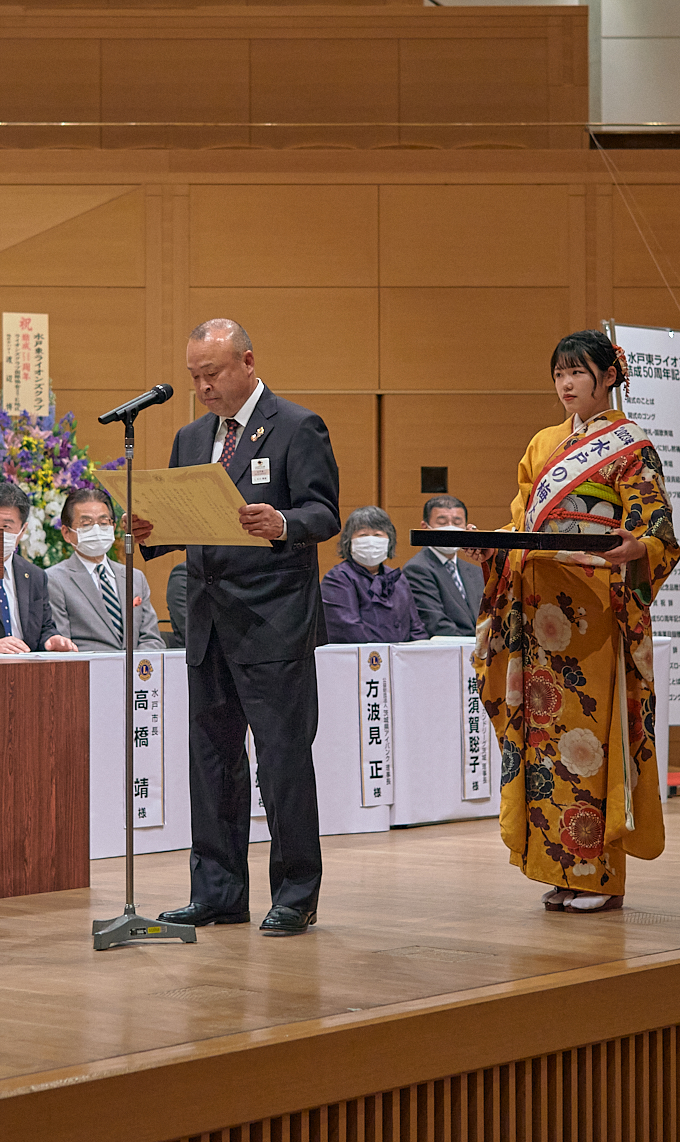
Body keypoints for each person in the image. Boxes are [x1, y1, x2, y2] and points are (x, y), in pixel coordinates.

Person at [132, 319, 340, 936]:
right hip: (207, 623)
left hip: (274, 623)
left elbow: (324, 512)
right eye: (195, 376)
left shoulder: (298, 426)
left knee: (281, 763)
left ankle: (296, 891)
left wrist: (283, 522)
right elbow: (186, 520)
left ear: (247, 361)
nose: (203, 387)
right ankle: (218, 891)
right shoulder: (192, 437)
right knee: (213, 762)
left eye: (213, 374)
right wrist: (151, 531)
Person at [466, 330, 680, 915]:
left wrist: (633, 548)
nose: (566, 384)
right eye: (559, 373)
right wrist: (492, 549)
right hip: (538, 612)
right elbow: (520, 521)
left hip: (590, 613)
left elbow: (656, 529)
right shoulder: (541, 444)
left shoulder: (632, 446)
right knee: (543, 741)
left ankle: (598, 875)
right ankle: (557, 869)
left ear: (609, 376)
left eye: (578, 373)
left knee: (589, 739)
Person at [46, 486, 164, 653]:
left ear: (113, 527)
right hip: (88, 672)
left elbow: (151, 638)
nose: (96, 530)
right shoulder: (53, 579)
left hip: (134, 674)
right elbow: (61, 644)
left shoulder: (135, 577)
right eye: (86, 524)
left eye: (103, 523)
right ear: (66, 533)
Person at [0, 482, 75, 654]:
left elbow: (44, 628)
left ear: (22, 530)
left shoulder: (34, 575)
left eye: (6, 526)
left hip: (25, 670)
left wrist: (51, 639)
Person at [320, 506, 427, 644]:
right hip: (364, 660)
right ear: (349, 541)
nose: (371, 541)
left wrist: (420, 653)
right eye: (363, 535)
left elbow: (416, 627)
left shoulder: (397, 578)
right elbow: (349, 629)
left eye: (377, 535)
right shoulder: (337, 579)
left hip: (403, 660)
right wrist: (385, 656)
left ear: (389, 540)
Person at [403, 495, 483, 638]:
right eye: (442, 522)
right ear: (425, 527)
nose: (450, 528)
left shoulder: (475, 570)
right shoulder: (417, 569)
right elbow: (435, 623)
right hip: (448, 651)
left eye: (457, 522)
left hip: (480, 653)